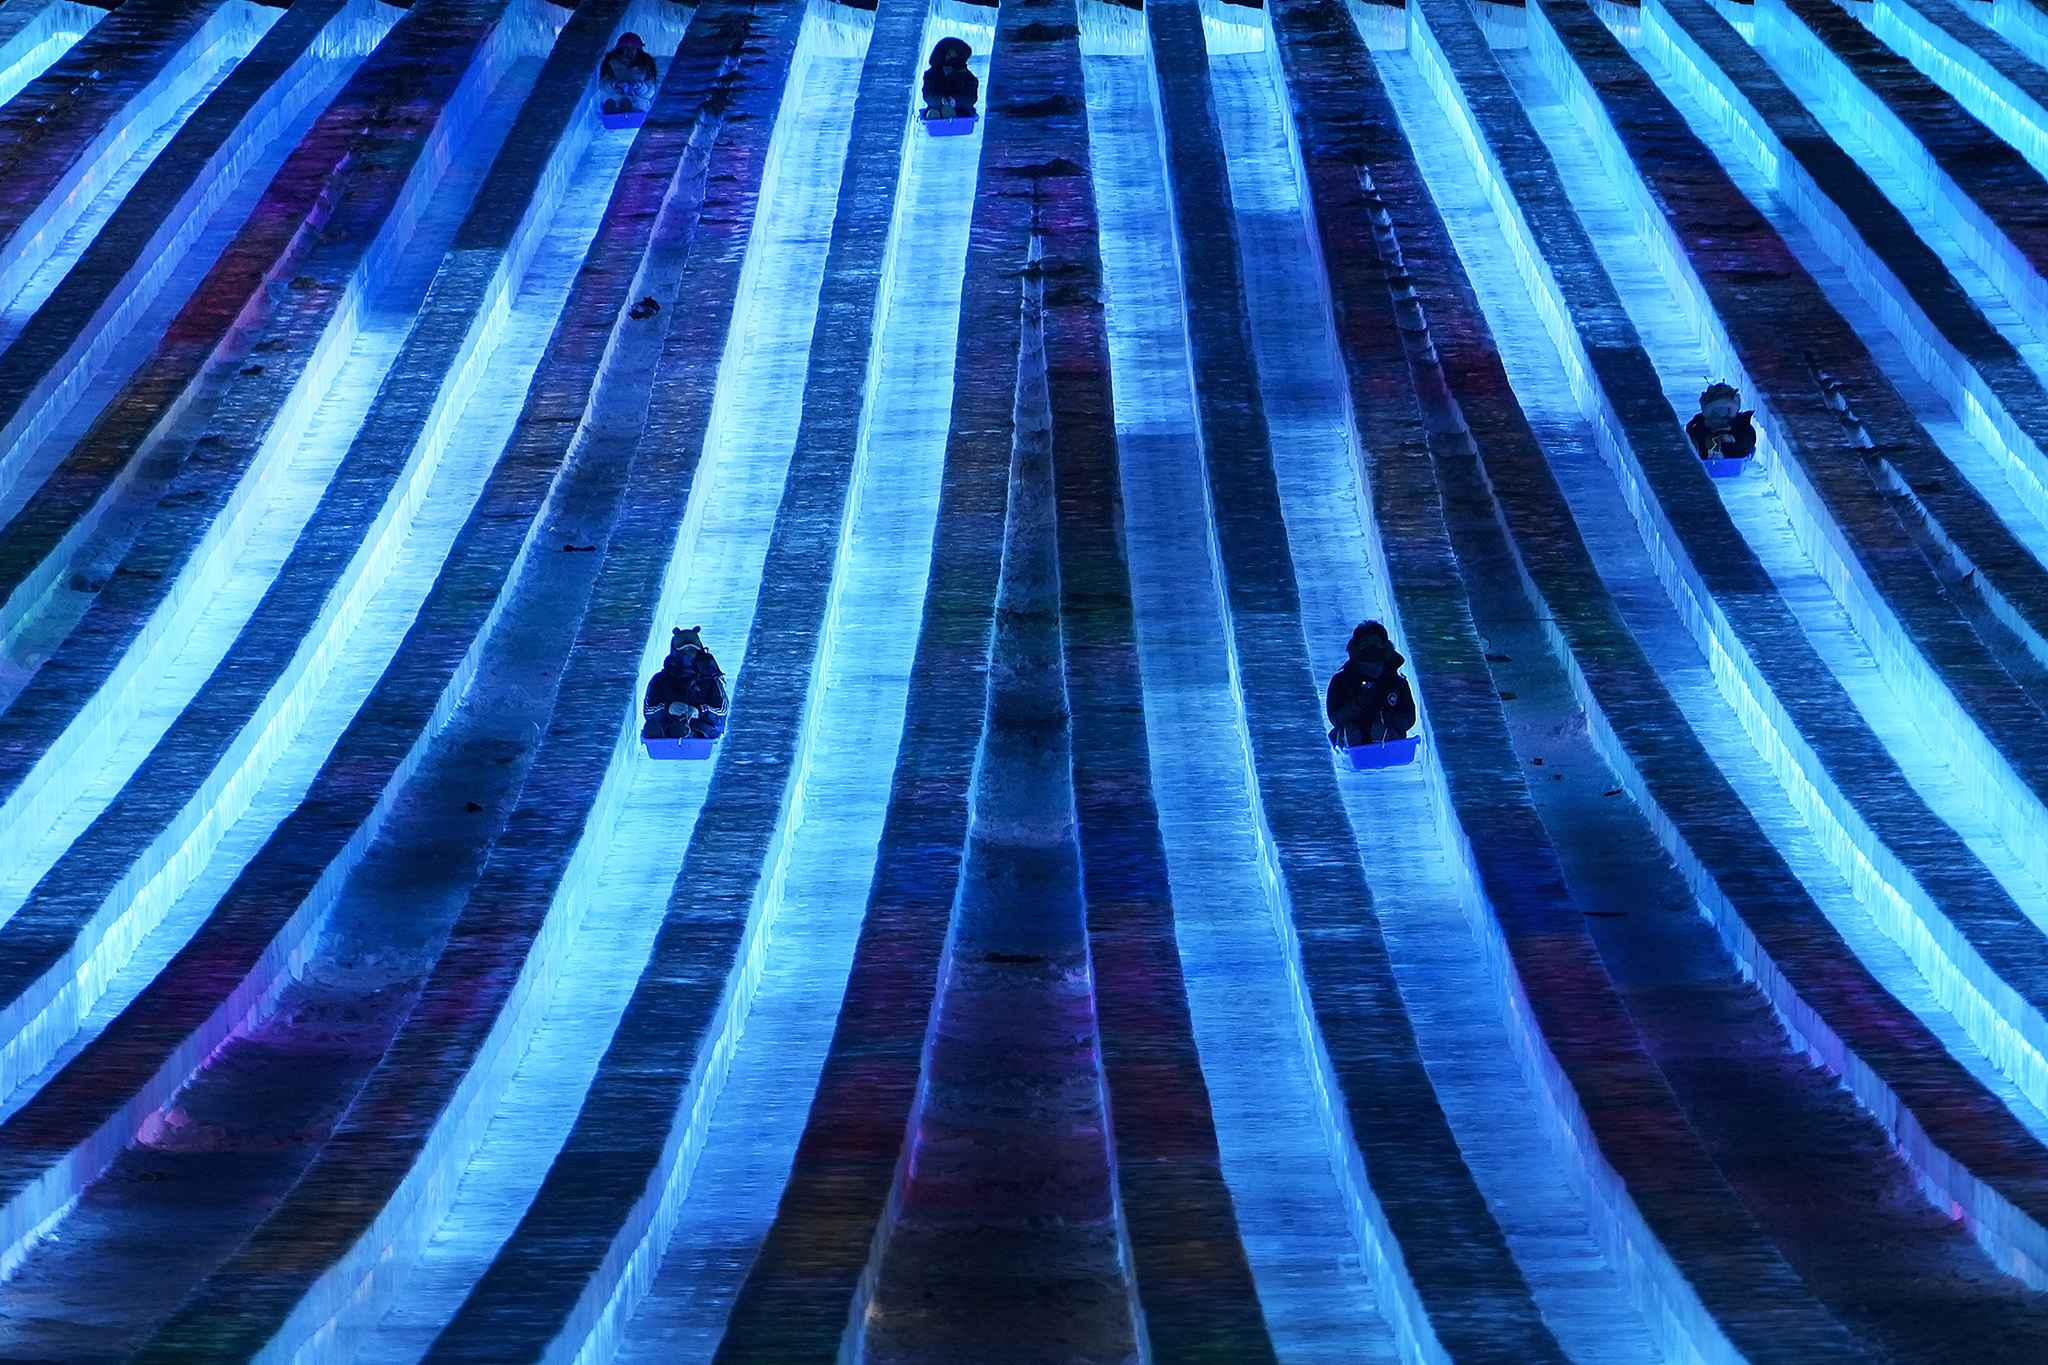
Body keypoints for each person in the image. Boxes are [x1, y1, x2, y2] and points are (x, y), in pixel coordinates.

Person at [1327, 621, 1417, 748]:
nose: (1371, 646)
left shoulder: (1396, 682)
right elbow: (1335, 718)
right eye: (1365, 642)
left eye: (1375, 641)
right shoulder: (1342, 681)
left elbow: (1409, 718)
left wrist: (1386, 715)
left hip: (1388, 741)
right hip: (1353, 742)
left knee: (1381, 731)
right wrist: (1359, 703)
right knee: (1350, 732)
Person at [642, 627, 728, 740]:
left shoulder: (710, 679)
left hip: (701, 727)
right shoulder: (661, 680)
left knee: (700, 729)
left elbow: (721, 712)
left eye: (691, 650)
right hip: (668, 723)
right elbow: (649, 710)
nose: (687, 655)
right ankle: (664, 734)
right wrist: (668, 708)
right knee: (659, 726)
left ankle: (687, 734)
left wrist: (700, 711)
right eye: (683, 651)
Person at [1686, 382, 1757, 461]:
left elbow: (1746, 444)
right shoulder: (1699, 426)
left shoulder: (1742, 427)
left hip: (1733, 456)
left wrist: (1732, 439)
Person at [921, 37, 978, 120]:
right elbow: (928, 94)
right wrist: (941, 100)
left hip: (961, 109)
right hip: (937, 106)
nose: (949, 58)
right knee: (935, 111)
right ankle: (936, 114)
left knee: (958, 112)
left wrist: (955, 101)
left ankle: (951, 114)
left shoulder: (966, 76)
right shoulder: (931, 75)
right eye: (947, 55)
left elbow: (970, 97)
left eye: (952, 56)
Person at [601, 33, 657, 116]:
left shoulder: (646, 66)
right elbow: (603, 88)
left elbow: (650, 92)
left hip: (638, 102)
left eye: (633, 48)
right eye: (626, 48)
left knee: (638, 105)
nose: (629, 51)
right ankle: (615, 110)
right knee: (614, 101)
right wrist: (615, 84)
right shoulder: (611, 64)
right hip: (616, 98)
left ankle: (629, 109)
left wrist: (640, 87)